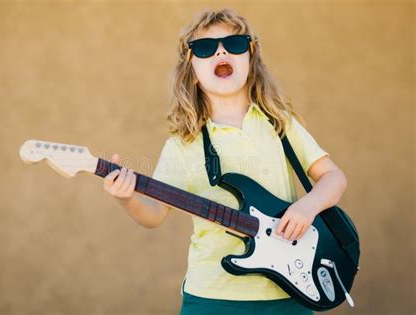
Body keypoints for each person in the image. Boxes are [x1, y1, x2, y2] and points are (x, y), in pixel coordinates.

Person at [103, 8, 348, 315]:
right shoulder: (183, 145)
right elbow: (154, 215)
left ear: (251, 59)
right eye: (205, 48)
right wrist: (127, 199)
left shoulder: (278, 124)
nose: (220, 50)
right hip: (211, 296)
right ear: (192, 71)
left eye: (234, 44)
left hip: (290, 294)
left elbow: (334, 178)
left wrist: (307, 207)